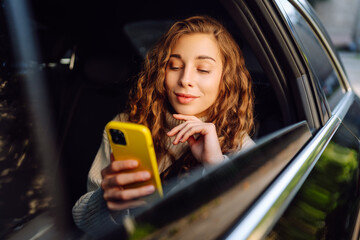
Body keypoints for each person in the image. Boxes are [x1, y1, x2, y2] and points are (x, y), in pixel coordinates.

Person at [72, 15, 255, 236]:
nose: (185, 79)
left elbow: (249, 222)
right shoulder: (125, 125)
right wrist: (106, 202)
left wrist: (216, 166)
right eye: (175, 65)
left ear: (226, 80)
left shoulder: (239, 144)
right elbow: (81, 219)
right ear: (161, 71)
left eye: (203, 69)